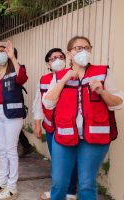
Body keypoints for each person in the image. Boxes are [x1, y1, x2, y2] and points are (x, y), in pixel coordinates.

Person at [43, 36, 124, 200]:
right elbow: (48, 103)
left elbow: (118, 103)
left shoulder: (102, 72)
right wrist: (63, 80)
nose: (84, 51)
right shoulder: (60, 75)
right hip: (64, 137)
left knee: (87, 183)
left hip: (94, 139)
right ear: (69, 53)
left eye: (87, 48)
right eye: (78, 48)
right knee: (59, 183)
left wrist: (102, 91)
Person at [0, 40, 28, 200]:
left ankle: (12, 187)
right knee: (2, 150)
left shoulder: (16, 69)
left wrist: (13, 58)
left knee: (10, 150)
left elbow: (22, 79)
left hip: (13, 115)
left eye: (2, 51)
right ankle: (2, 182)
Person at [32, 48, 77, 200]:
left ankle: (70, 192)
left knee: (70, 160)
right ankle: (61, 190)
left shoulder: (74, 76)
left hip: (70, 127)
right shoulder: (44, 79)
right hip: (51, 127)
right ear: (48, 64)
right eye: (53, 58)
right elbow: (38, 103)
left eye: (60, 57)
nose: (57, 60)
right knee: (57, 161)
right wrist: (37, 124)